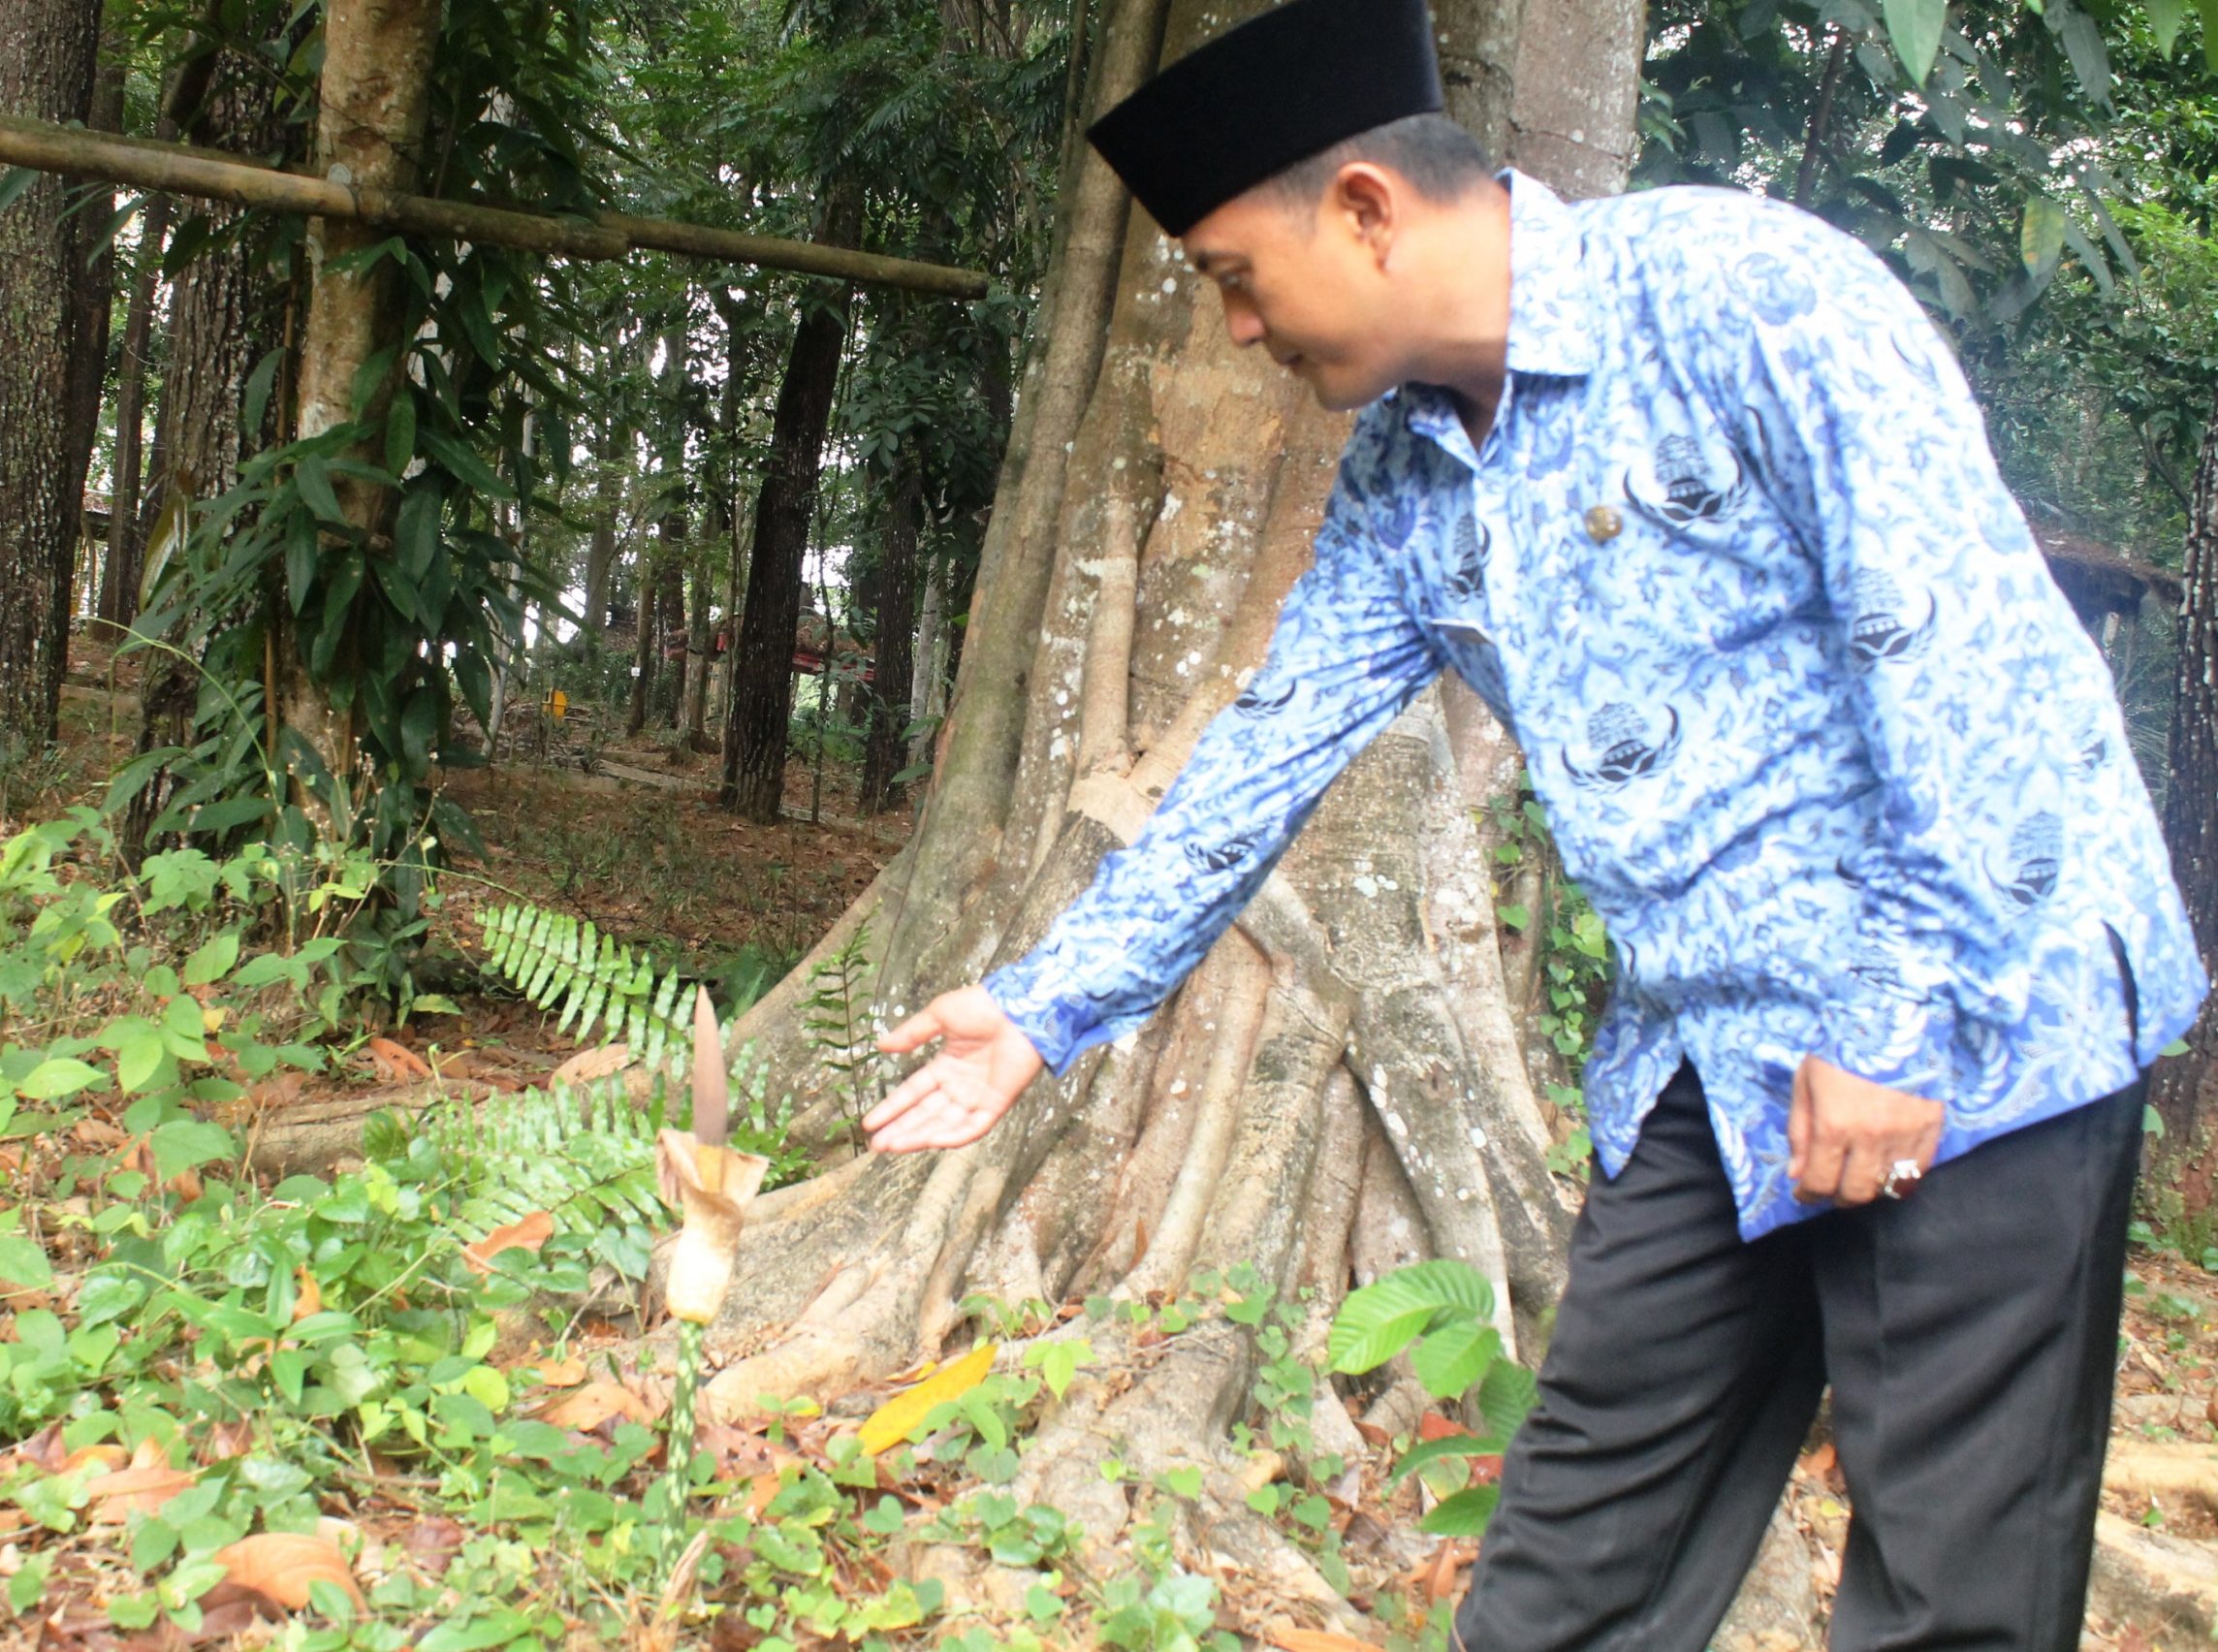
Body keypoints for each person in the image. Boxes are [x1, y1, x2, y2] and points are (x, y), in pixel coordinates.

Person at [857, 0, 2210, 1646]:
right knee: (1571, 1565)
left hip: (1979, 1021)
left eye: (1230, 276)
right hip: (1714, 1061)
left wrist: (1896, 1016)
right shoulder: (1404, 474)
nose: (1233, 329)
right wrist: (1045, 1005)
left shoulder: (1737, 292)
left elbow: (1964, 657)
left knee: (1950, 1596)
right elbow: (1267, 746)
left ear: (1363, 208)